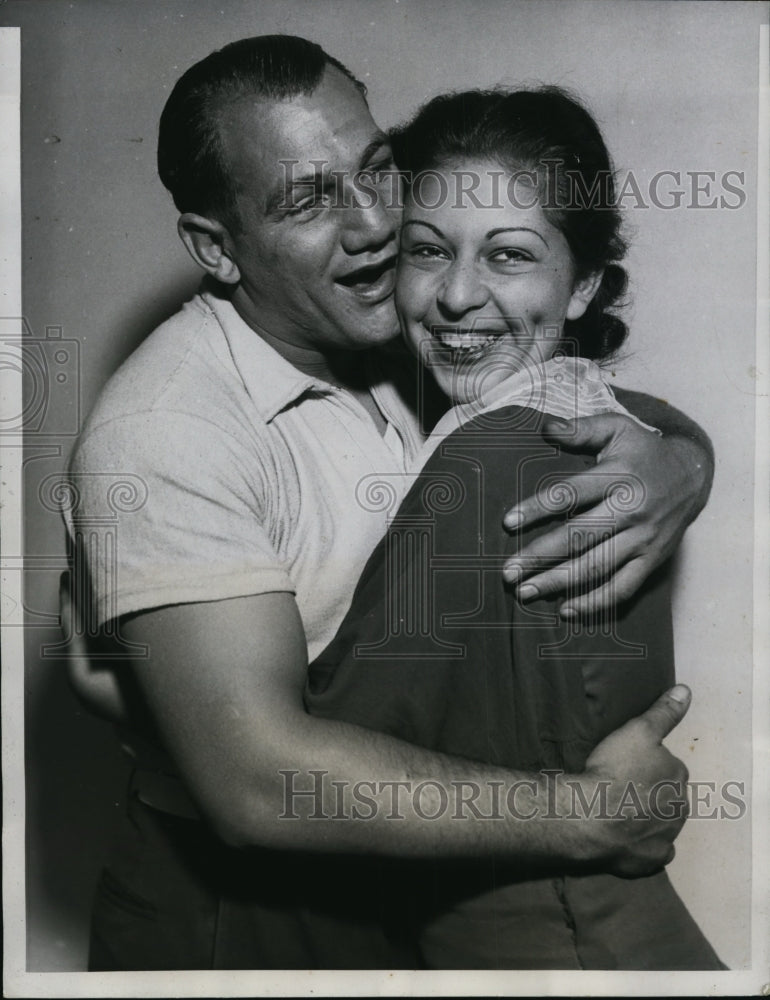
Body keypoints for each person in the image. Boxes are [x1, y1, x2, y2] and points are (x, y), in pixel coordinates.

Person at [62, 36, 714, 970]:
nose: (374, 224)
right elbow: (258, 786)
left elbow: (562, 381)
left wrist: (683, 463)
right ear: (217, 247)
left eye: (375, 171)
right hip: (233, 915)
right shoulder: (167, 431)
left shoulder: (405, 329)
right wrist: (590, 817)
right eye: (309, 200)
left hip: (410, 883)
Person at [305, 85, 724, 970]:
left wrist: (137, 688)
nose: (458, 295)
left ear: (583, 289)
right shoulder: (620, 433)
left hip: (541, 944)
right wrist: (691, 453)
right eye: (427, 251)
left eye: (509, 256)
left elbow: (329, 750)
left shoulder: (484, 465)